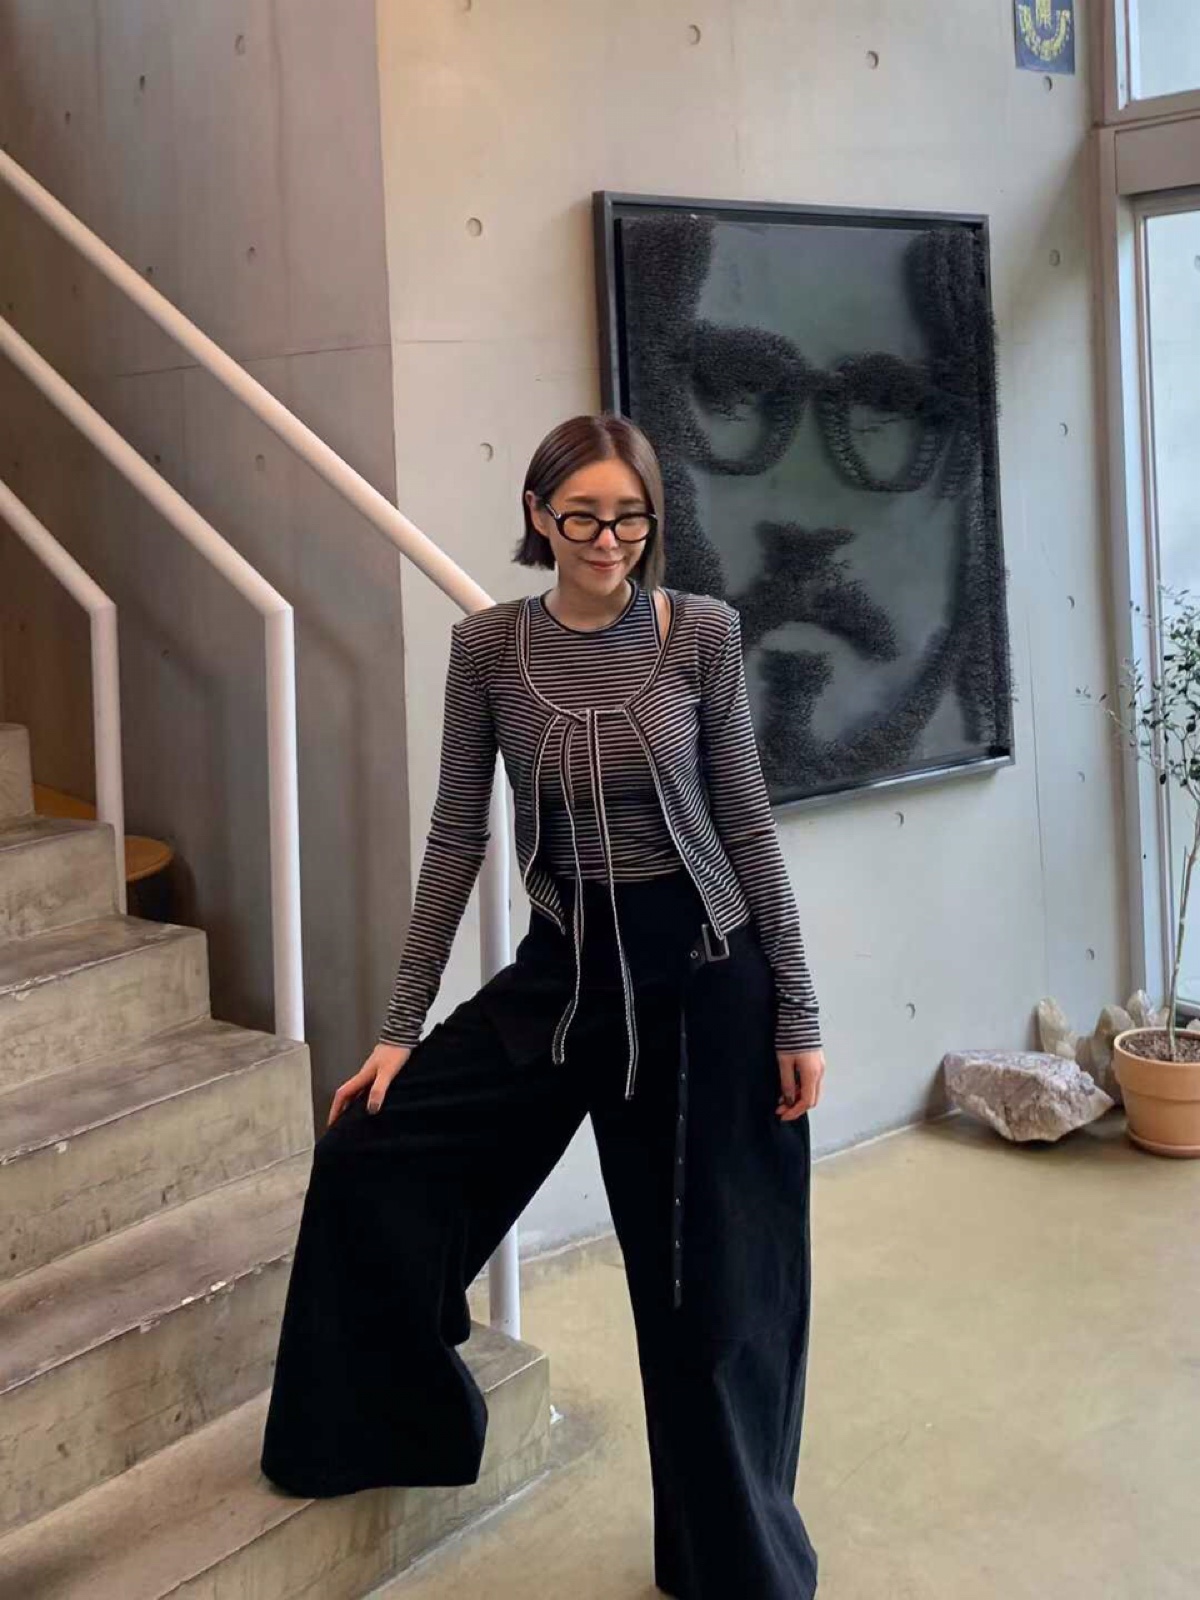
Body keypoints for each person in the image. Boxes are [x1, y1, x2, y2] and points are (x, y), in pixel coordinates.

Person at [259, 413, 827, 1599]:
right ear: (537, 515)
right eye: (583, 515)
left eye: (631, 517)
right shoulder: (488, 650)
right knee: (368, 1152)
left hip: (706, 985)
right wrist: (400, 1029)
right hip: (565, 978)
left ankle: (733, 1565)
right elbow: (454, 838)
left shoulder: (702, 635)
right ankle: (380, 1425)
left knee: (707, 1292)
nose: (608, 539)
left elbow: (747, 823)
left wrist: (798, 1013)